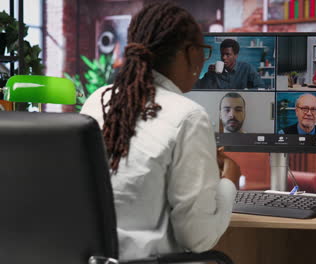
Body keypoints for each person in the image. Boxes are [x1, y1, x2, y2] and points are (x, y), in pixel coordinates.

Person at [80, 2, 241, 260]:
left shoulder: (98, 100)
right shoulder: (188, 116)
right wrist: (230, 179)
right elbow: (198, 238)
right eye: (204, 51)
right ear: (189, 53)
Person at [194, 38, 265, 89]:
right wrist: (209, 74)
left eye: (228, 54)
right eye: (222, 54)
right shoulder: (214, 71)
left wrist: (246, 92)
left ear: (236, 55)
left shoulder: (246, 68)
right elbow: (199, 88)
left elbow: (261, 87)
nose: (224, 57)